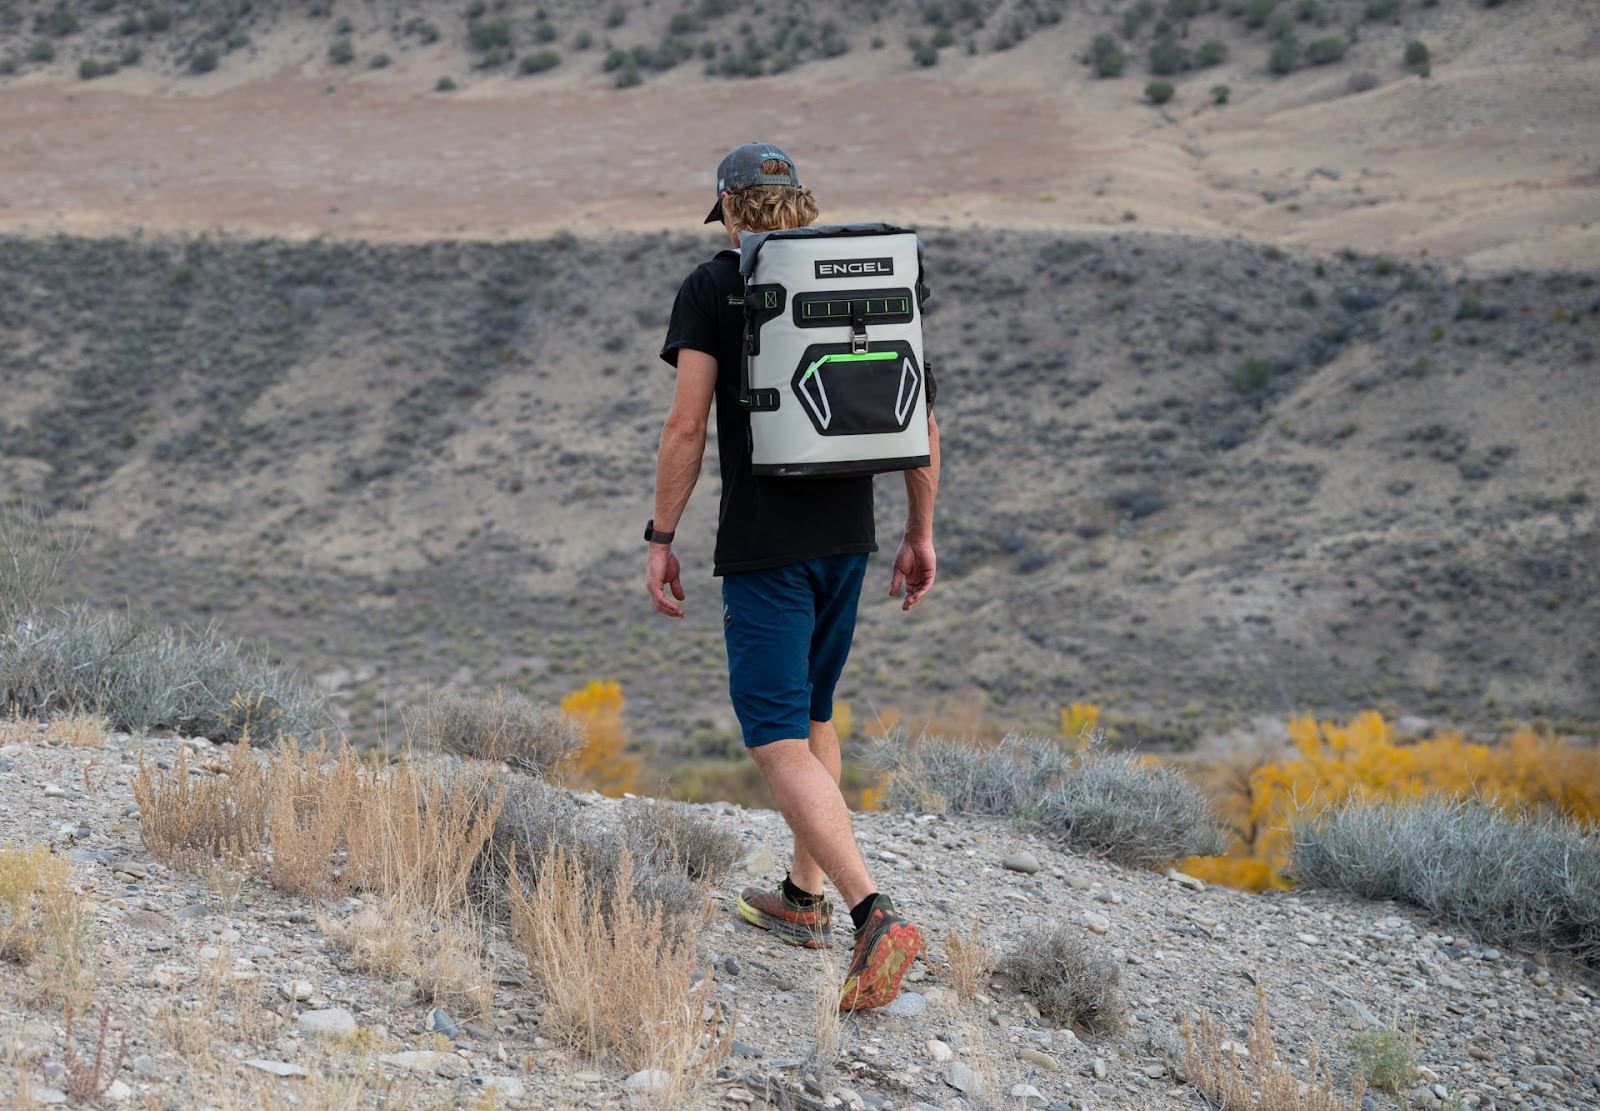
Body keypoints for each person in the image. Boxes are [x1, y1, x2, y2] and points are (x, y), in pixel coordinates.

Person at [647, 142, 941, 1011]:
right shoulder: (868, 275)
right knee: (814, 715)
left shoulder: (714, 286)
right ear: (801, 203)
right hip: (849, 536)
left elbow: (685, 427)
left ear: (730, 210)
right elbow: (921, 420)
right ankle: (801, 898)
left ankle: (871, 913)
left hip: (765, 545)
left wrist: (661, 535)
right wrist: (920, 531)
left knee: (775, 738)